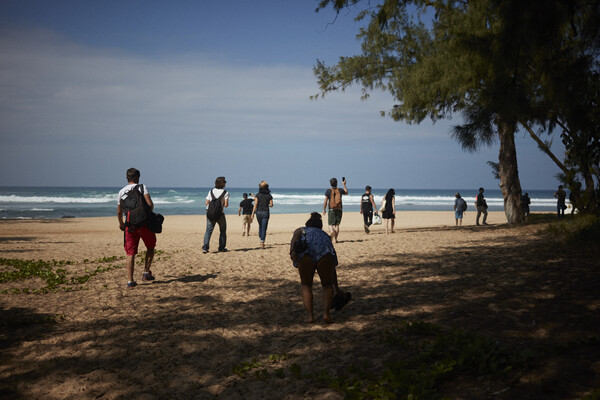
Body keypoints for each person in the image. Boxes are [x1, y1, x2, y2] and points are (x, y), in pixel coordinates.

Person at [290, 213, 351, 323]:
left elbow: (294, 240)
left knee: (306, 285)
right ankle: (326, 314)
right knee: (327, 285)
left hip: (306, 255)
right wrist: (336, 288)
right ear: (320, 225)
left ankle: (310, 317)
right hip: (325, 255)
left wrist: (292, 253)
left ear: (308, 224)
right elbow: (333, 267)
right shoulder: (324, 235)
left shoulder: (300, 230)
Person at [117, 168, 156, 288]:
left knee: (130, 253)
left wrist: (121, 224)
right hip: (144, 224)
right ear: (138, 177)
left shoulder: (121, 192)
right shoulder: (142, 187)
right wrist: (147, 216)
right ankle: (145, 273)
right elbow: (150, 204)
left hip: (130, 225)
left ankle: (130, 280)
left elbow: (119, 212)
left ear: (127, 178)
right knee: (150, 247)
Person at [202, 176, 229, 253]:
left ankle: (205, 248)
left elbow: (206, 203)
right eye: (225, 182)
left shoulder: (211, 191)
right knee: (223, 231)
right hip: (220, 214)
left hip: (210, 214)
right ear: (222, 183)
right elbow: (226, 205)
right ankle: (221, 247)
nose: (225, 183)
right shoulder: (225, 193)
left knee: (208, 231)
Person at [323, 177, 348, 243]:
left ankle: (332, 231)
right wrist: (344, 184)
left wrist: (324, 210)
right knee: (337, 225)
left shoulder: (328, 191)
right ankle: (335, 239)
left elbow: (325, 201)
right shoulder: (340, 190)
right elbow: (346, 193)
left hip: (331, 209)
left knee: (330, 224)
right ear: (336, 183)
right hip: (339, 209)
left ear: (330, 184)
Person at [252, 181, 273, 248]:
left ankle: (261, 238)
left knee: (260, 226)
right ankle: (262, 241)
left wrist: (252, 213)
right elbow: (271, 205)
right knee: (264, 227)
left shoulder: (258, 195)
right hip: (265, 212)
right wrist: (268, 204)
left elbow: (255, 204)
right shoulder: (269, 195)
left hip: (258, 212)